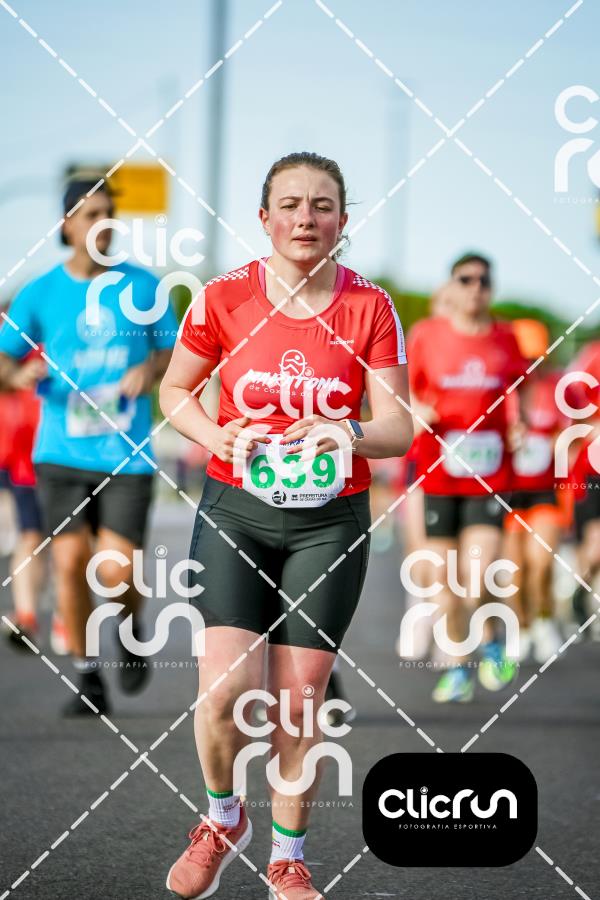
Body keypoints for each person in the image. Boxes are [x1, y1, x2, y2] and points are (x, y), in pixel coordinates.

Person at [160, 151, 413, 899]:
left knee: (298, 699)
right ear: (265, 217)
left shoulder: (370, 307)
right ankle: (222, 818)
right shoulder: (223, 298)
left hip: (328, 522)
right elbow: (176, 392)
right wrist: (218, 435)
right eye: (292, 205)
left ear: (342, 219)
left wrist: (346, 431)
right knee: (224, 692)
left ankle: (288, 859)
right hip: (236, 509)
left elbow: (398, 427)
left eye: (323, 205)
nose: (307, 218)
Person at [0, 178, 177, 714]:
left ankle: (129, 626)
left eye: (108, 213)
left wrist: (150, 368)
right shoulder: (40, 292)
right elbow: (4, 357)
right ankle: (87, 676)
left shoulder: (143, 287)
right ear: (67, 225)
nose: (102, 223)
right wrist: (17, 374)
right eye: (89, 214)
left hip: (127, 453)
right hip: (60, 452)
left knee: (118, 569)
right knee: (71, 562)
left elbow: (174, 351)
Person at [407, 253, 526, 703]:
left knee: (476, 578)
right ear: (451, 286)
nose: (476, 287)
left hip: (489, 475)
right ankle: (459, 664)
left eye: (483, 280)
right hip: (439, 474)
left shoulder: (506, 337)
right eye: (466, 279)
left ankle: (492, 638)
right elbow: (399, 391)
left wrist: (519, 422)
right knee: (445, 587)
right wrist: (416, 410)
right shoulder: (427, 335)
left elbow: (519, 388)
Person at [502, 319, 565, 663]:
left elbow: (572, 433)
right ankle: (522, 628)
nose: (529, 366)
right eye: (524, 358)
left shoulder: (557, 389)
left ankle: (544, 619)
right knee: (515, 571)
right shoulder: (499, 392)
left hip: (545, 491)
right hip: (509, 492)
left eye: (535, 359)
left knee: (541, 563)